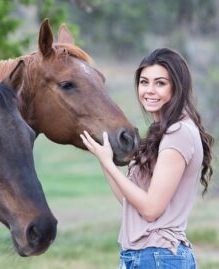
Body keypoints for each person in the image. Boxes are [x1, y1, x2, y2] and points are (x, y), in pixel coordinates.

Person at [80, 47, 214, 269]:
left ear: (177, 87)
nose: (149, 90)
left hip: (158, 257)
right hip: (145, 256)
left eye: (160, 83)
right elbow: (128, 202)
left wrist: (107, 163)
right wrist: (104, 160)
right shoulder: (163, 130)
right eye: (144, 82)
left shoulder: (178, 132)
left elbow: (151, 209)